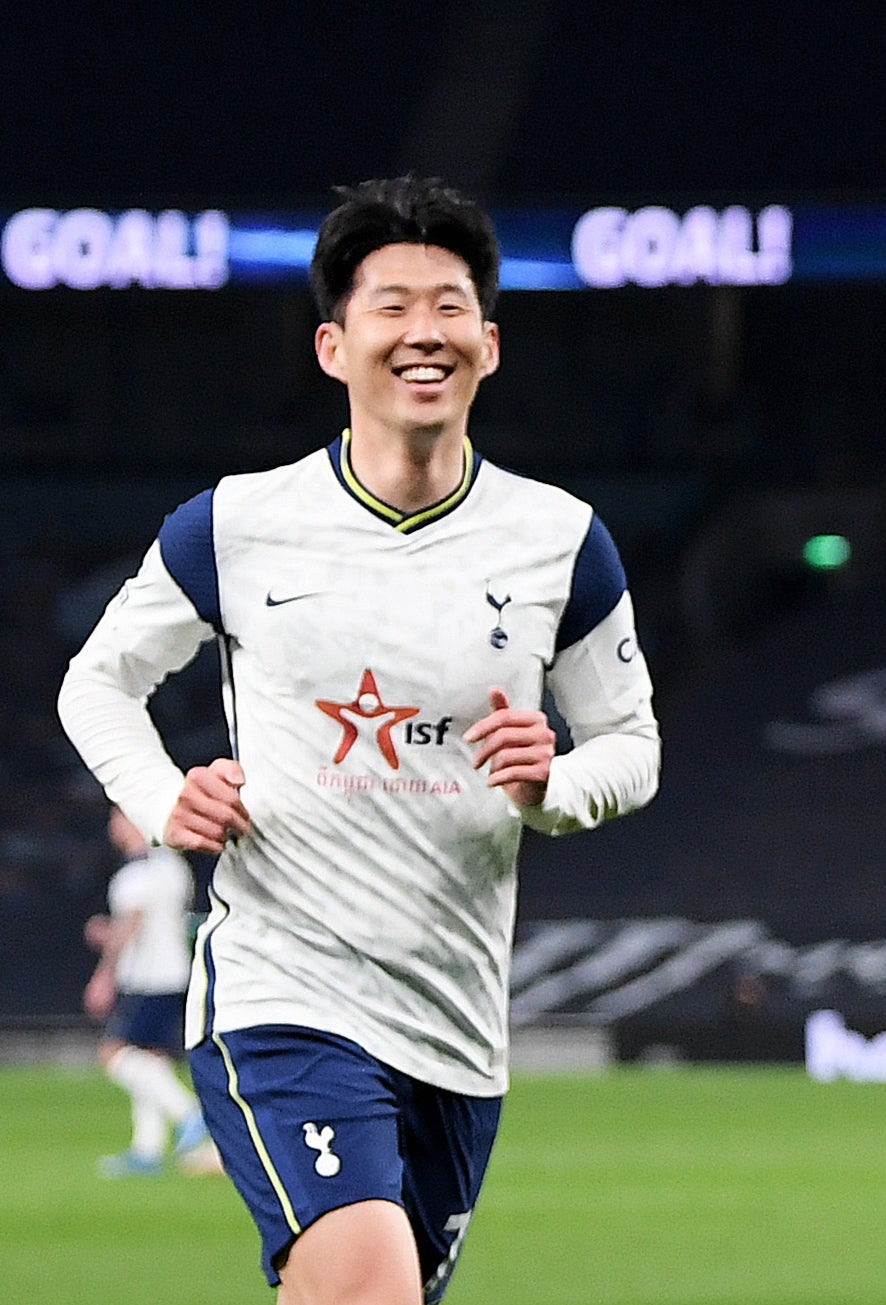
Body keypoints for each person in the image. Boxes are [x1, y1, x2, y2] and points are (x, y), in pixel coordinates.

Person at [58, 176, 660, 1304]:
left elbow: (631, 744)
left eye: (447, 305)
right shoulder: (235, 524)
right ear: (334, 347)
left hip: (455, 1028)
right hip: (281, 993)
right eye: (390, 307)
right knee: (364, 1285)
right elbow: (99, 683)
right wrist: (158, 796)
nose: (421, 331)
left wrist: (555, 785)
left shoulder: (560, 541)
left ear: (490, 341)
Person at [84, 806, 222, 1178]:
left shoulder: (138, 873)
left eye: (119, 818)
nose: (114, 828)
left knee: (114, 1054)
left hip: (145, 978)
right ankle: (147, 1149)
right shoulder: (173, 866)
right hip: (176, 974)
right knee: (152, 1060)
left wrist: (104, 973)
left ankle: (190, 1115)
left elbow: (133, 924)